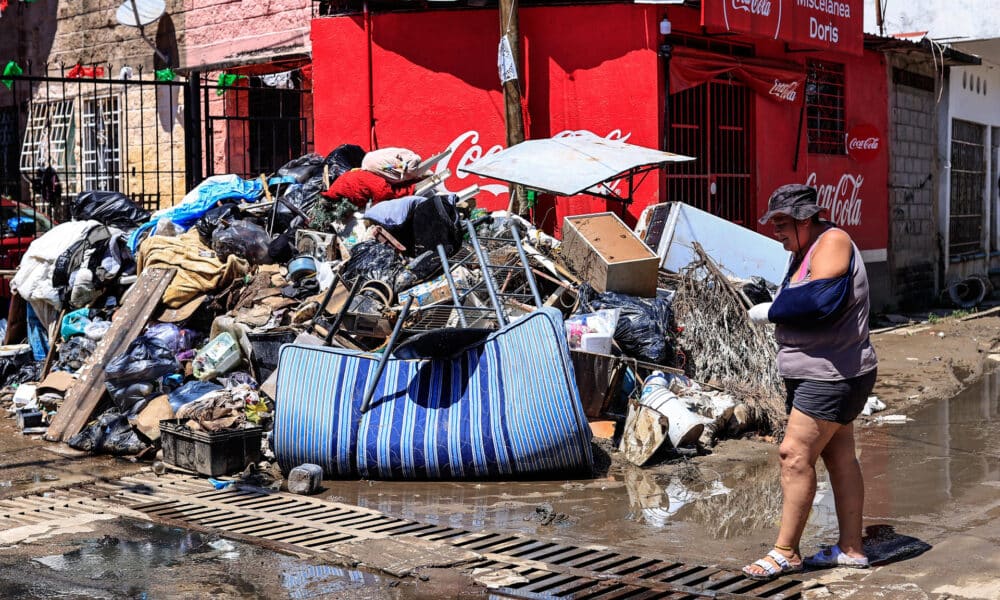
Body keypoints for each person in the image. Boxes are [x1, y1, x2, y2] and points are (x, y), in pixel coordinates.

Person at [741, 184, 878, 581]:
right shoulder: (805, 250)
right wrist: (772, 296)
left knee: (793, 454)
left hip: (832, 374)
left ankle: (786, 551)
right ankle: (851, 550)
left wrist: (774, 309)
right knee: (839, 456)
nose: (776, 231)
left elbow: (820, 302)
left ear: (805, 220)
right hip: (826, 371)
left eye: (782, 223)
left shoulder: (832, 241)